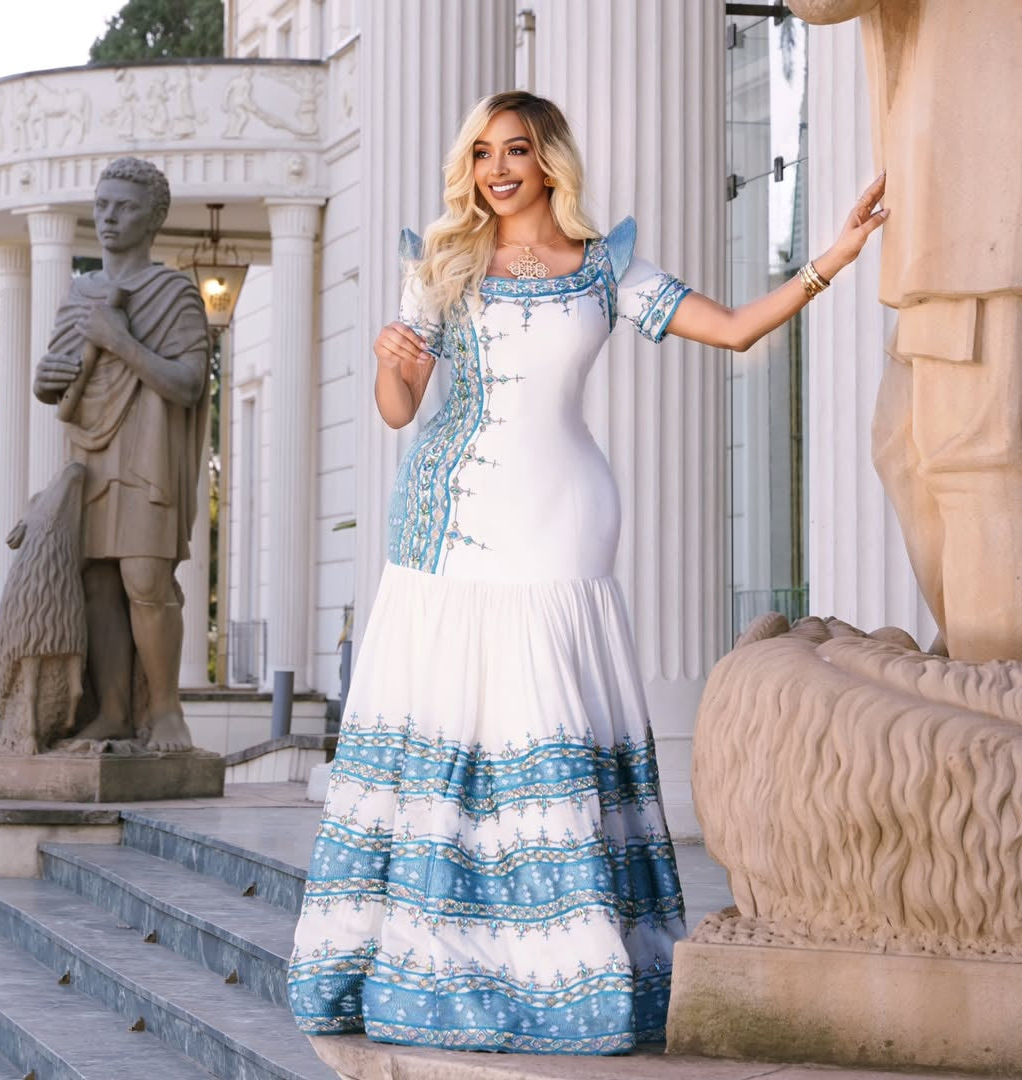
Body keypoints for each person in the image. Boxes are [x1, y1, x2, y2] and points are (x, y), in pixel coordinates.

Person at [287, 91, 886, 1054]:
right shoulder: (442, 263)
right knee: (455, 727)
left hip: (564, 521)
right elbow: (401, 411)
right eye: (482, 153)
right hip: (448, 526)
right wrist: (391, 362)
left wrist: (830, 261)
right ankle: (436, 973)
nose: (497, 169)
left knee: (547, 722)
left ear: (549, 160)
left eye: (515, 149)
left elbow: (732, 331)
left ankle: (572, 979)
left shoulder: (605, 266)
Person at [790, 0, 1022, 662]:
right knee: (906, 449)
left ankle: (992, 706)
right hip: (953, 213)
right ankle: (980, 664)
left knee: (971, 462)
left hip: (981, 210)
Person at [33, 157, 210, 752]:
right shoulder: (81, 290)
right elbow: (53, 382)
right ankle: (110, 710)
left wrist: (121, 341)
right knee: (97, 583)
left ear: (154, 217)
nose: (108, 217)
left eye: (124, 206)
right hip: (89, 450)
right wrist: (46, 377)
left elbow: (187, 383)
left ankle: (165, 712)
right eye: (102, 203)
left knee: (144, 579)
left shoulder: (173, 291)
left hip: (149, 453)